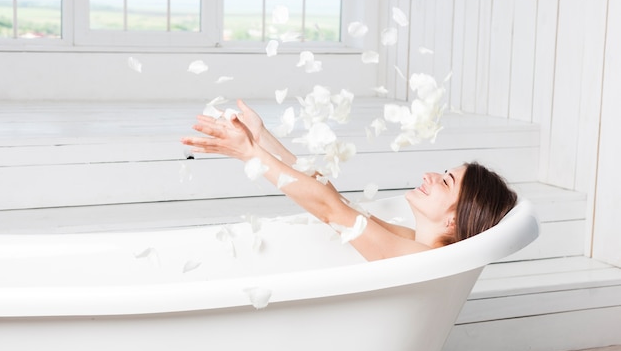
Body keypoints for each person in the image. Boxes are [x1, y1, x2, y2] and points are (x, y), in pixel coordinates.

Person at [181, 100, 517, 262]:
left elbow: (330, 211)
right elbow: (339, 203)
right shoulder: (415, 243)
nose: (429, 176)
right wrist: (261, 138)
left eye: (445, 182)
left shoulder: (419, 259)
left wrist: (251, 155)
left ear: (453, 219)